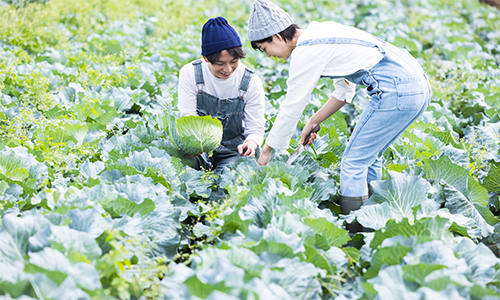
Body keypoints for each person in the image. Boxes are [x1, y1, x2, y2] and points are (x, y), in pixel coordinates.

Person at [247, 0, 431, 232]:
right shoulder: (321, 32)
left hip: (398, 89)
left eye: (265, 49)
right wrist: (314, 121)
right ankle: (375, 227)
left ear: (277, 36)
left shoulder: (306, 50)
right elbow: (344, 91)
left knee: (353, 163)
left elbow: (292, 105)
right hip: (417, 85)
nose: (268, 55)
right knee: (369, 157)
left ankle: (356, 233)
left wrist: (268, 149)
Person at [178, 16, 265, 174]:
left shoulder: (250, 81)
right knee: (179, 167)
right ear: (206, 59)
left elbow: (255, 128)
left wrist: (251, 143)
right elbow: (187, 117)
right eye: (220, 64)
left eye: (234, 61)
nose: (228, 69)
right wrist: (193, 145)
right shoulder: (191, 73)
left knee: (232, 176)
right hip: (199, 149)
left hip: (233, 150)